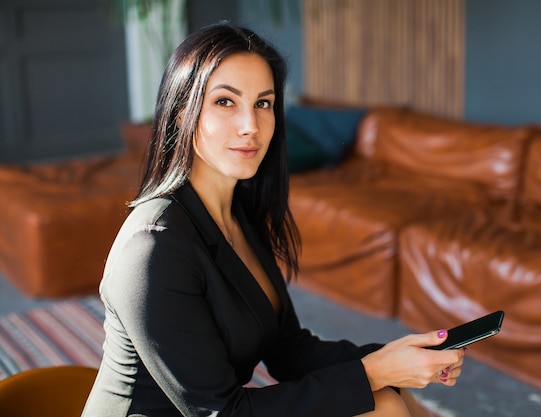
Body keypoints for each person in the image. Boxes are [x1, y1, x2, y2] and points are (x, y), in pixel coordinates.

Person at [81, 22, 465, 417]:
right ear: (182, 114)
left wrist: (393, 358)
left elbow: (288, 351)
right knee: (381, 403)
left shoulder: (239, 212)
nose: (251, 126)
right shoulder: (154, 247)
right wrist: (371, 373)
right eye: (225, 102)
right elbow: (222, 413)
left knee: (392, 391)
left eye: (263, 104)